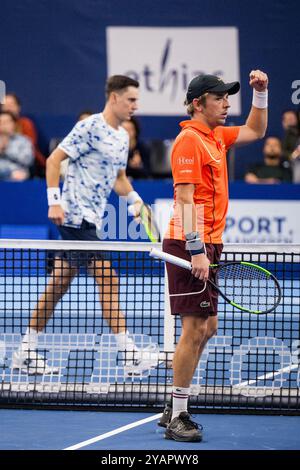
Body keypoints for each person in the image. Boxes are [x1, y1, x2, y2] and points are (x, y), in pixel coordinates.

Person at [11, 75, 159, 375]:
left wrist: (134, 199)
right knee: (109, 278)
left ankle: (24, 352)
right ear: (114, 98)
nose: (135, 105)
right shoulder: (89, 126)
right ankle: (129, 355)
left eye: (136, 100)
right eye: (131, 99)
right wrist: (55, 200)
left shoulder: (122, 138)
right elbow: (53, 160)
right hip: (73, 215)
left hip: (91, 217)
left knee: (58, 285)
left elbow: (118, 178)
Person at [159, 70, 269, 442]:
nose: (227, 103)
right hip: (190, 242)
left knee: (209, 327)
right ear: (197, 103)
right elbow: (186, 199)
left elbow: (255, 131)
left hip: (209, 243)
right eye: (219, 98)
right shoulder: (189, 141)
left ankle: (173, 400)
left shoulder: (216, 137)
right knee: (194, 329)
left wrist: (262, 93)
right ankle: (178, 415)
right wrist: (196, 251)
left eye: (227, 97)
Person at [1, 93, 46, 177]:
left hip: (20, 171)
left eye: (11, 105)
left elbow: (28, 157)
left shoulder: (25, 129)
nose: (8, 108)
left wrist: (5, 149)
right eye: (5, 105)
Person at [0, 110, 34, 181]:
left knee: (20, 175)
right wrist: (7, 173)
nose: (3, 125)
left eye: (6, 122)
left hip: (17, 175)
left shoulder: (24, 141)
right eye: (0, 122)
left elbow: (28, 161)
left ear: (14, 124)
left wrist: (6, 150)